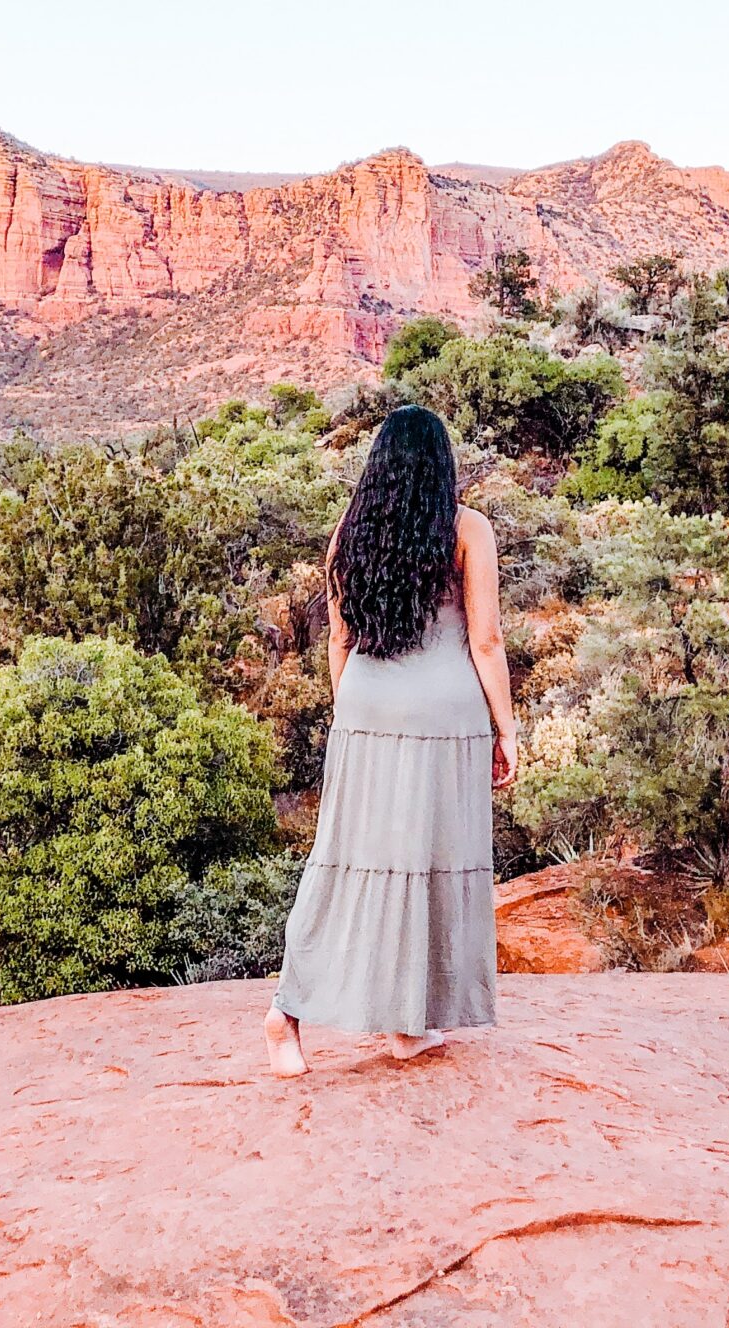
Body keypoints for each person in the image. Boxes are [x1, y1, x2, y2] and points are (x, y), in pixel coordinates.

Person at [264, 404, 517, 1076]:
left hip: (367, 708)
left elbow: (340, 641)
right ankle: (395, 1022)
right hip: (444, 716)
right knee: (430, 863)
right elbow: (486, 641)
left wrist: (352, 718)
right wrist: (508, 730)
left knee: (349, 861)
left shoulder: (350, 531)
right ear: (442, 463)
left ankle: (320, 1017)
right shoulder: (468, 530)